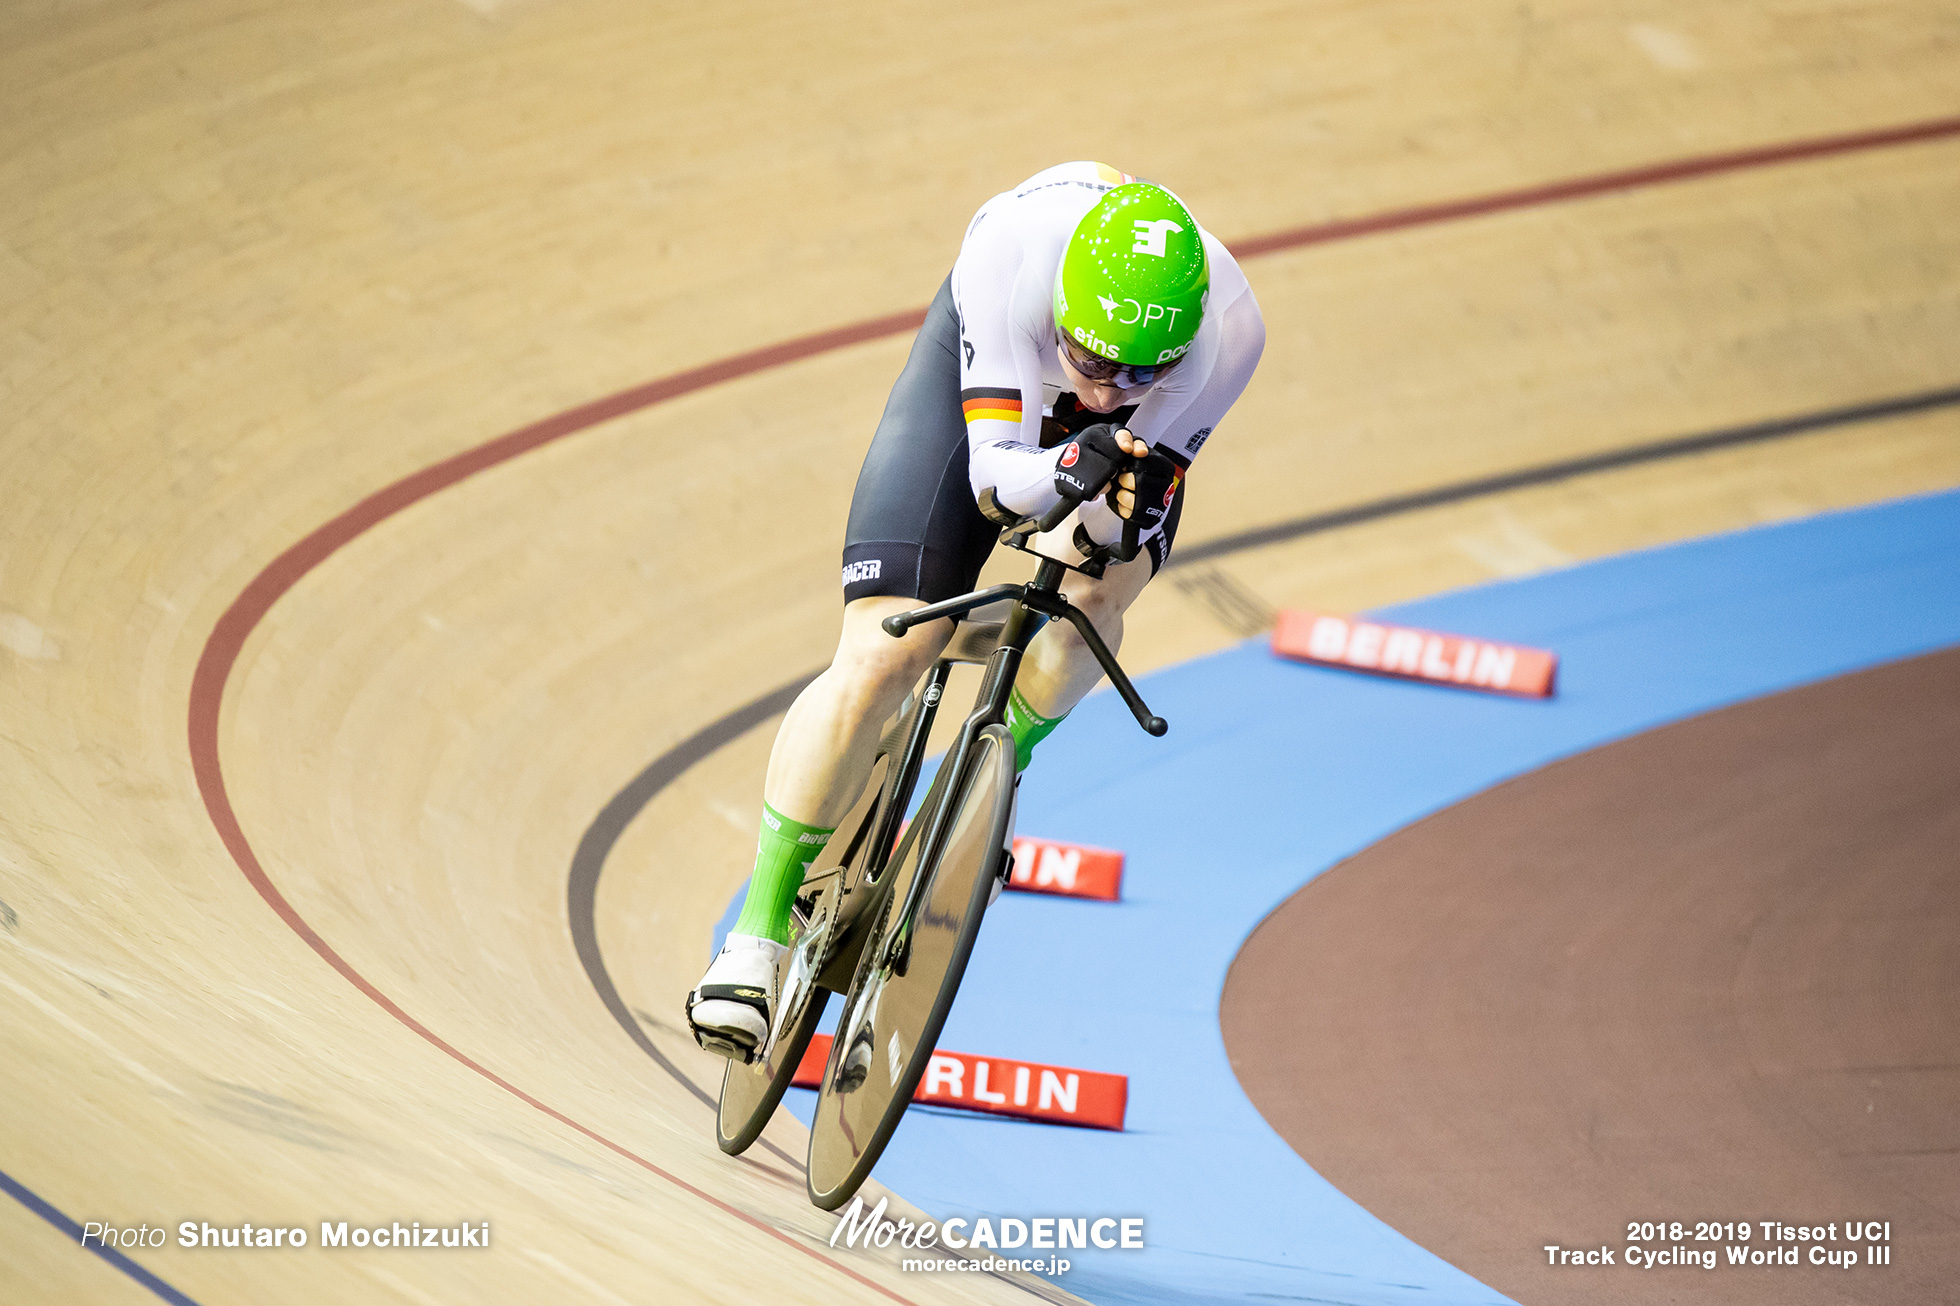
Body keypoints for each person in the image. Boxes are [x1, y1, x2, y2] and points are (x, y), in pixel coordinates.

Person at [687, 162, 1265, 1060]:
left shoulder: (1229, 335)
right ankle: (754, 936)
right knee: (885, 652)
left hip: (1092, 441)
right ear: (1066, 313)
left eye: (1143, 373)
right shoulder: (1009, 261)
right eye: (1096, 363)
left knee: (1096, 601)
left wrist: (1113, 503)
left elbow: (1132, 507)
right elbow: (997, 482)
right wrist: (1074, 461)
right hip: (993, 389)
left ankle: (977, 791)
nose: (1111, 390)